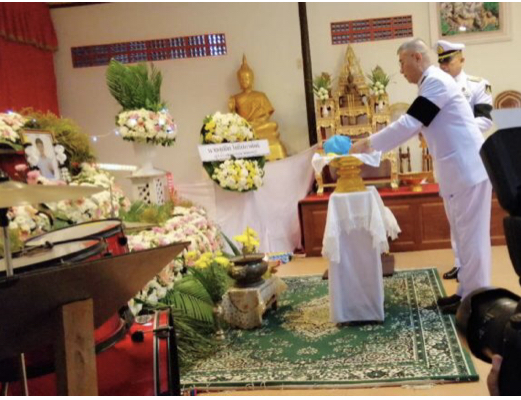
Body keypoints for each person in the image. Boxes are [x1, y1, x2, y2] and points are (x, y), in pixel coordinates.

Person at [350, 38, 492, 314]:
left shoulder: (436, 81)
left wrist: (368, 143)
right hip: (457, 173)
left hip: (468, 170)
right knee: (463, 238)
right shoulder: (431, 83)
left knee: (472, 239)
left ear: (416, 57)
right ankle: (465, 292)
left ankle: (477, 301)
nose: (400, 70)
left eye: (402, 63)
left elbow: (410, 123)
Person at [436, 39, 494, 281]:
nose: (444, 66)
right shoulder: (436, 87)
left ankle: (475, 276)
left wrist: (455, 129)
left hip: (470, 159)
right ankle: (460, 263)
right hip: (447, 160)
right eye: (441, 62)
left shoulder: (477, 85)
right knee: (455, 219)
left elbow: (485, 120)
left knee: (471, 223)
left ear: (461, 59)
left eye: (448, 60)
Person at [229, 55, 287, 161]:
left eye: (246, 78)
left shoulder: (260, 95)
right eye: (242, 79)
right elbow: (234, 118)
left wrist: (258, 121)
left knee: (273, 125)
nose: (244, 81)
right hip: (245, 127)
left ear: (252, 79)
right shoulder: (235, 98)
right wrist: (232, 109)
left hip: (259, 125)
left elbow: (267, 114)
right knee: (236, 132)